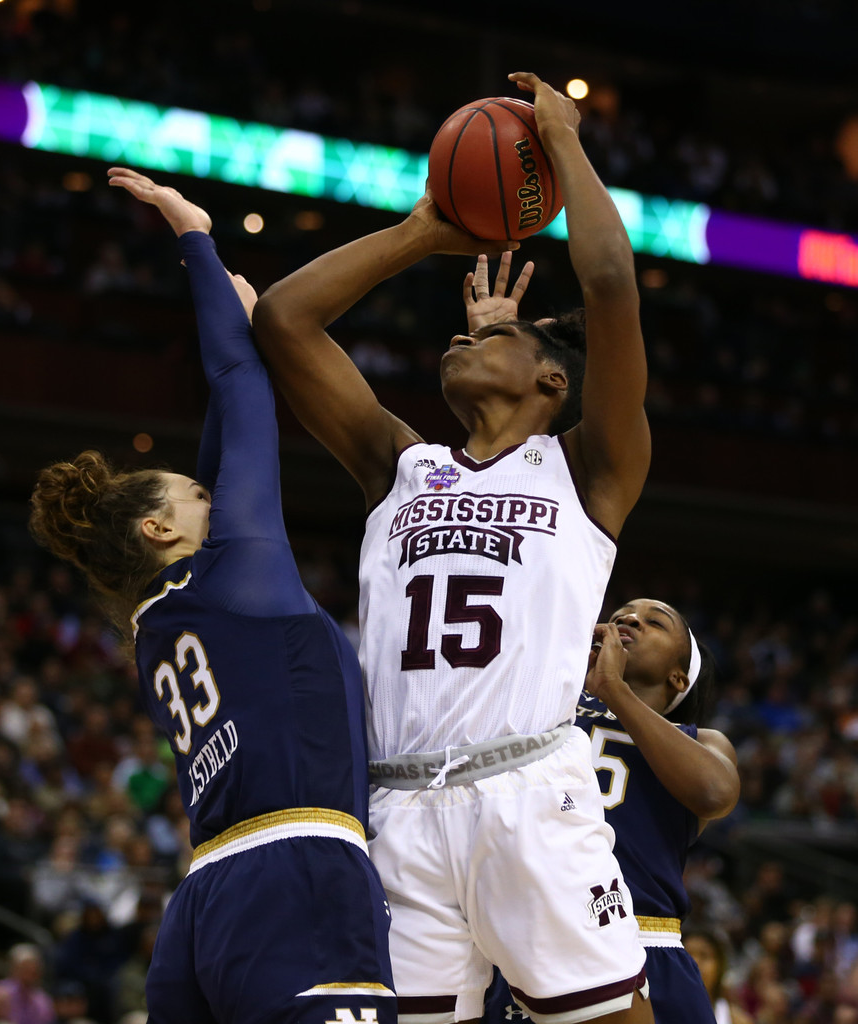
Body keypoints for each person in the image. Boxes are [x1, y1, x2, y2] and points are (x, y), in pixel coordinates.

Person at [254, 71, 652, 1022]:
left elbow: (607, 285)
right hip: (397, 810)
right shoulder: (399, 465)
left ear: (552, 383)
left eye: (503, 337)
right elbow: (281, 319)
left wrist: (563, 142)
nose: (462, 337)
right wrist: (421, 234)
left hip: (527, 794)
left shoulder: (588, 469)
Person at [29, 170, 395, 1024]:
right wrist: (194, 234)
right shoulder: (237, 572)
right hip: (296, 871)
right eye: (193, 494)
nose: (214, 494)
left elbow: (234, 411)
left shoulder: (161, 619)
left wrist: (240, 317)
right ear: (161, 529)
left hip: (205, 898)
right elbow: (237, 382)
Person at [484, 598, 741, 1024]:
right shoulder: (544, 715)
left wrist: (614, 688)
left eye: (654, 622)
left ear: (679, 677)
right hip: (532, 942)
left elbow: (716, 793)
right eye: (622, 613)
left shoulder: (700, 741)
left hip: (642, 940)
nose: (629, 619)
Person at [682, 931, 753, 1024]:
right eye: (687, 955)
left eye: (704, 955)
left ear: (720, 966)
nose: (695, 962)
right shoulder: (658, 1015)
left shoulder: (737, 1020)